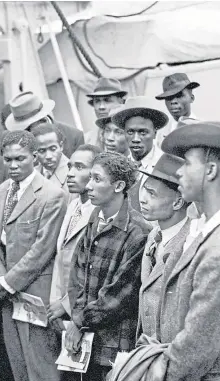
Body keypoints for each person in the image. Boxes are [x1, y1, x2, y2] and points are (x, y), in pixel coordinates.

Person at [147, 121, 220, 381]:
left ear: (210, 171)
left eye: (187, 163)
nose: (178, 173)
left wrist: (160, 371)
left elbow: (198, 346)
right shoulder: (210, 230)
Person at [66, 152, 151, 381]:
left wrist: (79, 321)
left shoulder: (138, 232)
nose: (89, 185)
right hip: (86, 342)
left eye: (97, 179)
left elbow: (119, 296)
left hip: (113, 346)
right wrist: (78, 318)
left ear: (119, 185)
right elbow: (77, 277)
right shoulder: (94, 220)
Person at [0, 130, 67, 381]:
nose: (13, 165)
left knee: (42, 366)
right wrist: (0, 279)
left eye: (20, 159)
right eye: (8, 159)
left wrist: (8, 283)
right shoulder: (0, 192)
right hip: (5, 295)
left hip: (36, 294)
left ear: (34, 157)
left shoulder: (51, 195)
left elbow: (42, 249)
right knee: (17, 366)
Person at [137, 153, 191, 339]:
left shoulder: (190, 243)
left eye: (152, 194)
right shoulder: (154, 234)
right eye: (145, 190)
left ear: (177, 202)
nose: (142, 199)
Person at [48, 144, 101, 328]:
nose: (70, 173)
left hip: (84, 312)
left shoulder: (100, 214)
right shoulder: (73, 206)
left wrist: (66, 305)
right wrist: (56, 301)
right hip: (62, 311)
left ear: (96, 174)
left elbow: (92, 273)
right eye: (69, 166)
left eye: (79, 167)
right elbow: (61, 257)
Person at [112, 96, 168, 211]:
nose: (136, 139)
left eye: (143, 132)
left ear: (155, 133)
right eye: (130, 132)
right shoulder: (119, 167)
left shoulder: (166, 166)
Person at [4, 91, 84, 158]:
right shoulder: (14, 142)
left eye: (29, 127)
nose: (29, 131)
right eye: (25, 128)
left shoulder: (74, 136)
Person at [155, 73, 200, 147]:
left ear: (191, 98)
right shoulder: (160, 131)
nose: (173, 102)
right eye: (168, 98)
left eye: (179, 95)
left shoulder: (203, 128)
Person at [32, 123, 71, 200]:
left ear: (61, 146)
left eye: (53, 149)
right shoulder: (31, 175)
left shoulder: (73, 174)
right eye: (42, 151)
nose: (48, 156)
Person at [86, 77, 128, 147]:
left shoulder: (131, 136)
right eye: (97, 101)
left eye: (107, 100)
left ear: (120, 102)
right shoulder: (87, 139)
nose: (101, 107)